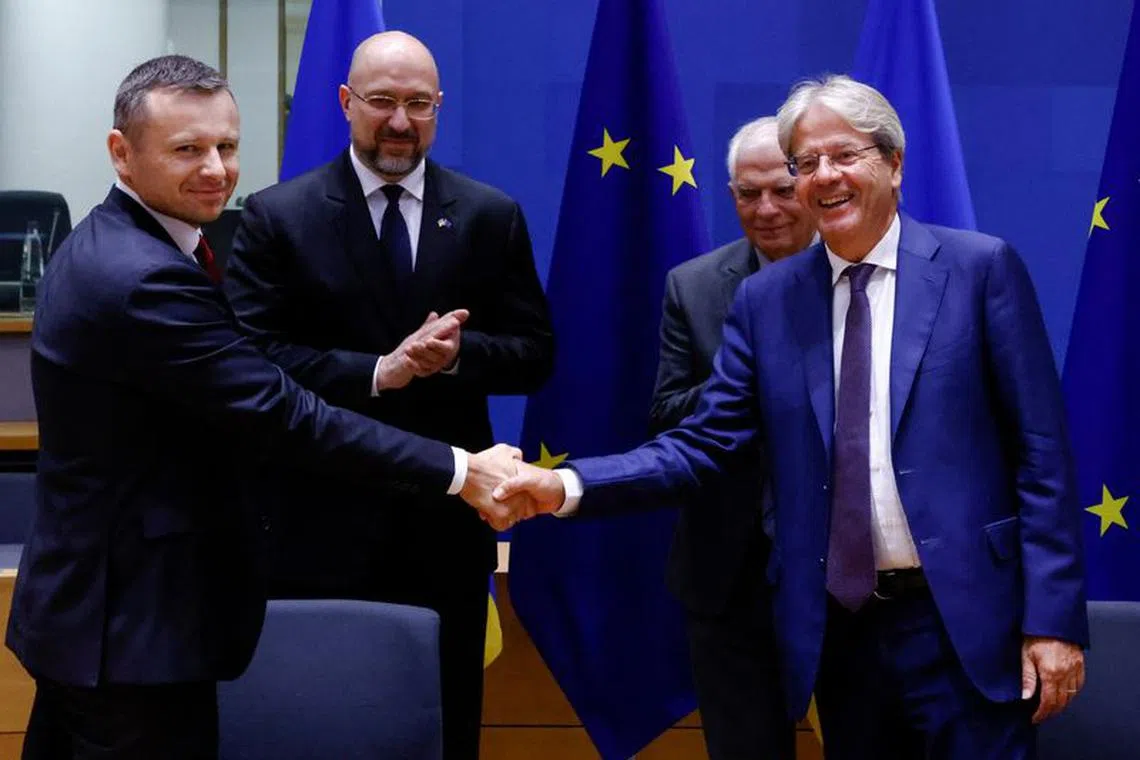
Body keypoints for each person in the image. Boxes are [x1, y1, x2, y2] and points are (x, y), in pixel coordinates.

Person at [493, 75, 1088, 760]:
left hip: (967, 623)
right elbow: (699, 443)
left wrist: (1052, 622)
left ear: (893, 164)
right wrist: (566, 485)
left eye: (843, 156)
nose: (823, 177)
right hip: (846, 635)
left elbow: (1042, 455)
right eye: (806, 163)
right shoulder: (768, 301)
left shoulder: (980, 270)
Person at [6, 54, 518, 760]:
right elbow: (284, 415)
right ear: (122, 154)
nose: (216, 168)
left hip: (99, 618)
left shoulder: (117, 241)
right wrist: (461, 470)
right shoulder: (141, 276)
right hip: (129, 634)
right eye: (187, 149)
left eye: (227, 146)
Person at [223, 31, 553, 760]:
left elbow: (534, 355)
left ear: (439, 109)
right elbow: (251, 363)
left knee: (446, 719)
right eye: (382, 102)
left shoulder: (488, 214)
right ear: (346, 104)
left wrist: (460, 355)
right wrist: (379, 370)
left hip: (444, 524)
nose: (400, 122)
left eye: (418, 104)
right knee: (320, 722)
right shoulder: (280, 216)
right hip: (317, 520)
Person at [648, 116, 814, 760]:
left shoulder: (862, 279)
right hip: (731, 570)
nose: (766, 209)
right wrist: (759, 381)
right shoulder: (693, 287)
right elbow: (666, 415)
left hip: (856, 570)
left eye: (780, 189)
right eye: (747, 194)